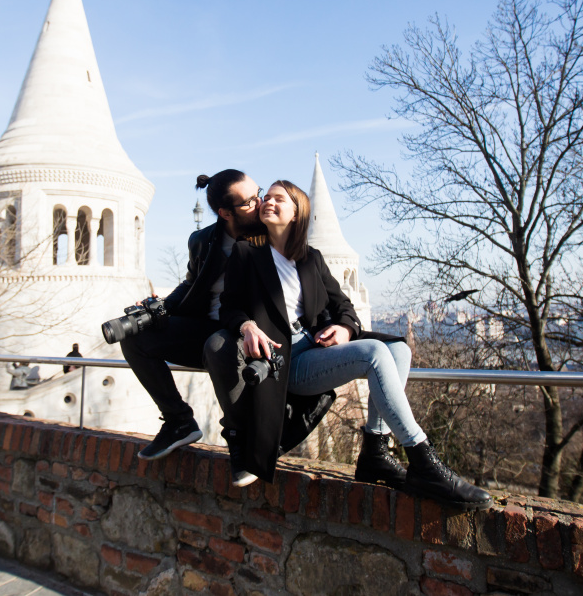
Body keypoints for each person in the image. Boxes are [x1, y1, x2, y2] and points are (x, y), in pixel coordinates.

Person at [209, 180, 492, 510]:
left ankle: (376, 451)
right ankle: (423, 460)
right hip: (287, 361)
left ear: (297, 212)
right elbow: (229, 307)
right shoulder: (246, 253)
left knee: (399, 349)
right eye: (266, 197)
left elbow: (344, 305)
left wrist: (344, 328)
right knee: (374, 353)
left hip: (317, 345)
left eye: (278, 199)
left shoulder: (310, 258)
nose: (267, 202)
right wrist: (247, 326)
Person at [119, 170, 268, 460]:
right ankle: (178, 422)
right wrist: (159, 308)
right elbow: (191, 284)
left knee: (218, 344)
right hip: (205, 327)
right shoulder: (203, 240)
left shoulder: (271, 234)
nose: (260, 203)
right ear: (225, 213)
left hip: (247, 332)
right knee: (134, 336)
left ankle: (241, 438)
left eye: (258, 193)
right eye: (250, 201)